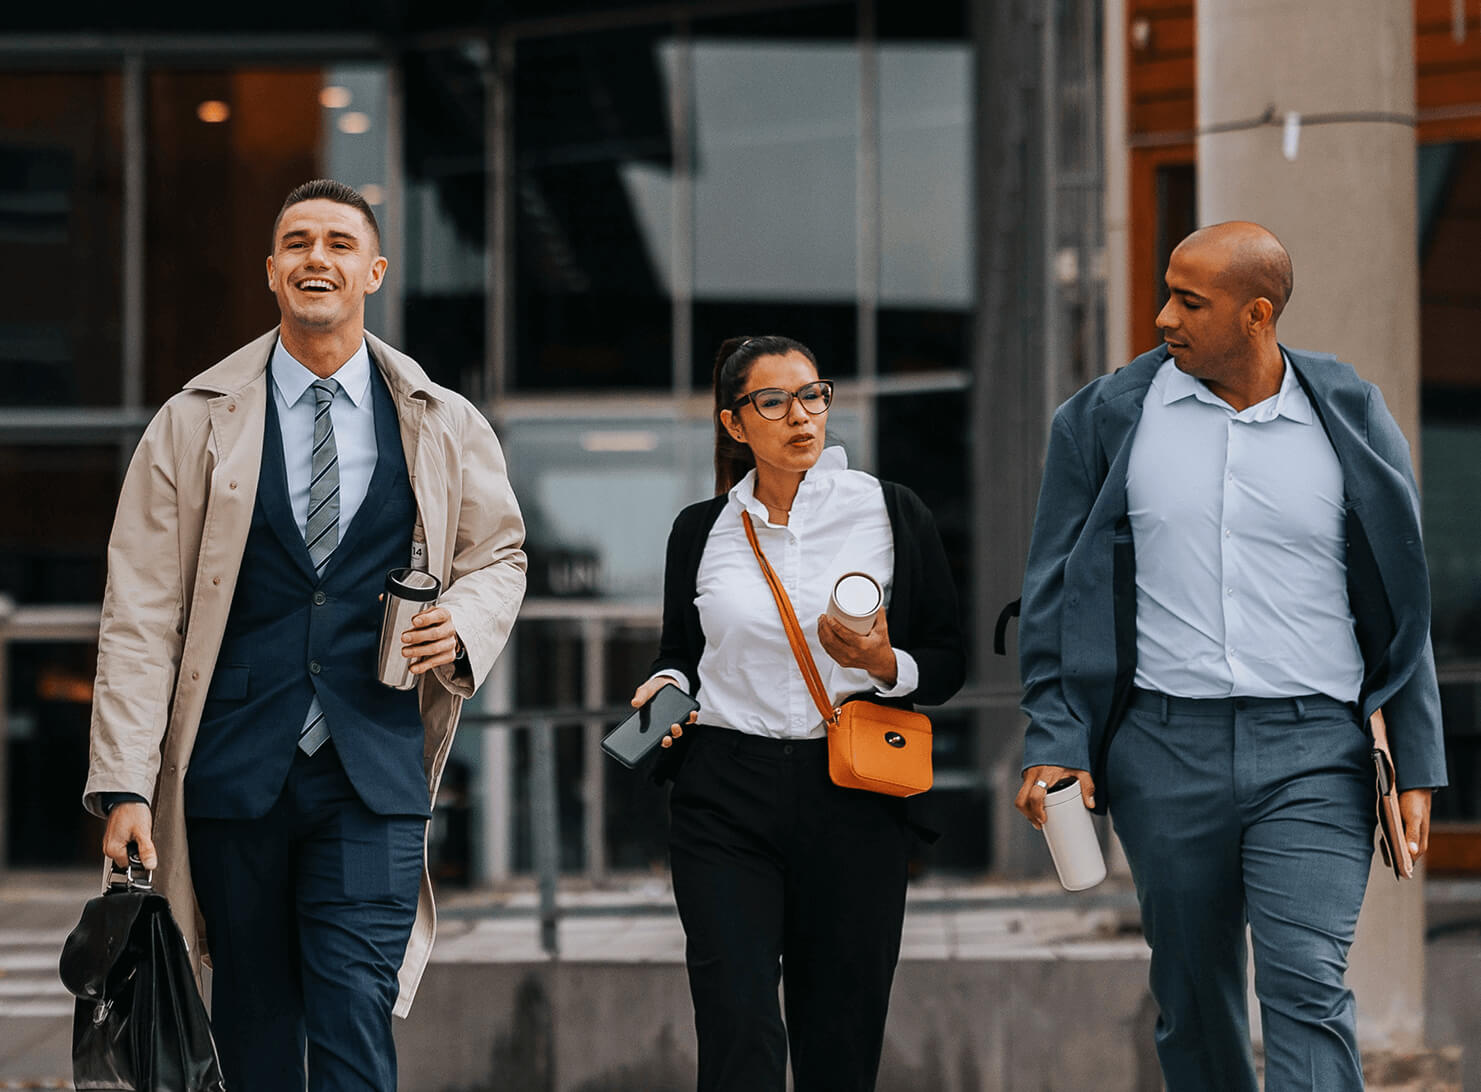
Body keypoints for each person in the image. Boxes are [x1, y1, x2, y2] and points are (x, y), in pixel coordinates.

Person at [82, 179, 527, 1092]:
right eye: (295, 242)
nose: (314, 257)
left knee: (355, 1003)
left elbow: (502, 554)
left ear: (372, 270)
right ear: (272, 271)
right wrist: (125, 784)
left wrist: (465, 622)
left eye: (335, 242)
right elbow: (139, 611)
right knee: (252, 1014)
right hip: (235, 767)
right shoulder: (192, 420)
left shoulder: (439, 420)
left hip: (373, 762)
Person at [1014, 221, 1447, 1091]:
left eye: (1188, 301)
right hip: (1161, 750)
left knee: (1304, 984)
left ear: (1256, 315)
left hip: (1314, 753)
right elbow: (1056, 596)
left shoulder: (1348, 414)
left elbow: (1401, 593)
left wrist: (1417, 756)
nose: (1163, 316)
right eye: (1166, 291)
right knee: (1193, 995)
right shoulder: (1102, 419)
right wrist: (1054, 739)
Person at [629, 334, 965, 1092]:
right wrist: (663, 682)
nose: (800, 415)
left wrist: (882, 665)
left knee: (839, 1038)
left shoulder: (890, 512)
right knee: (736, 1026)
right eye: (773, 401)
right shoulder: (700, 529)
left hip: (852, 792)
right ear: (734, 423)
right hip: (723, 793)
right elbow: (679, 650)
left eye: (812, 394)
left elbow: (945, 661)